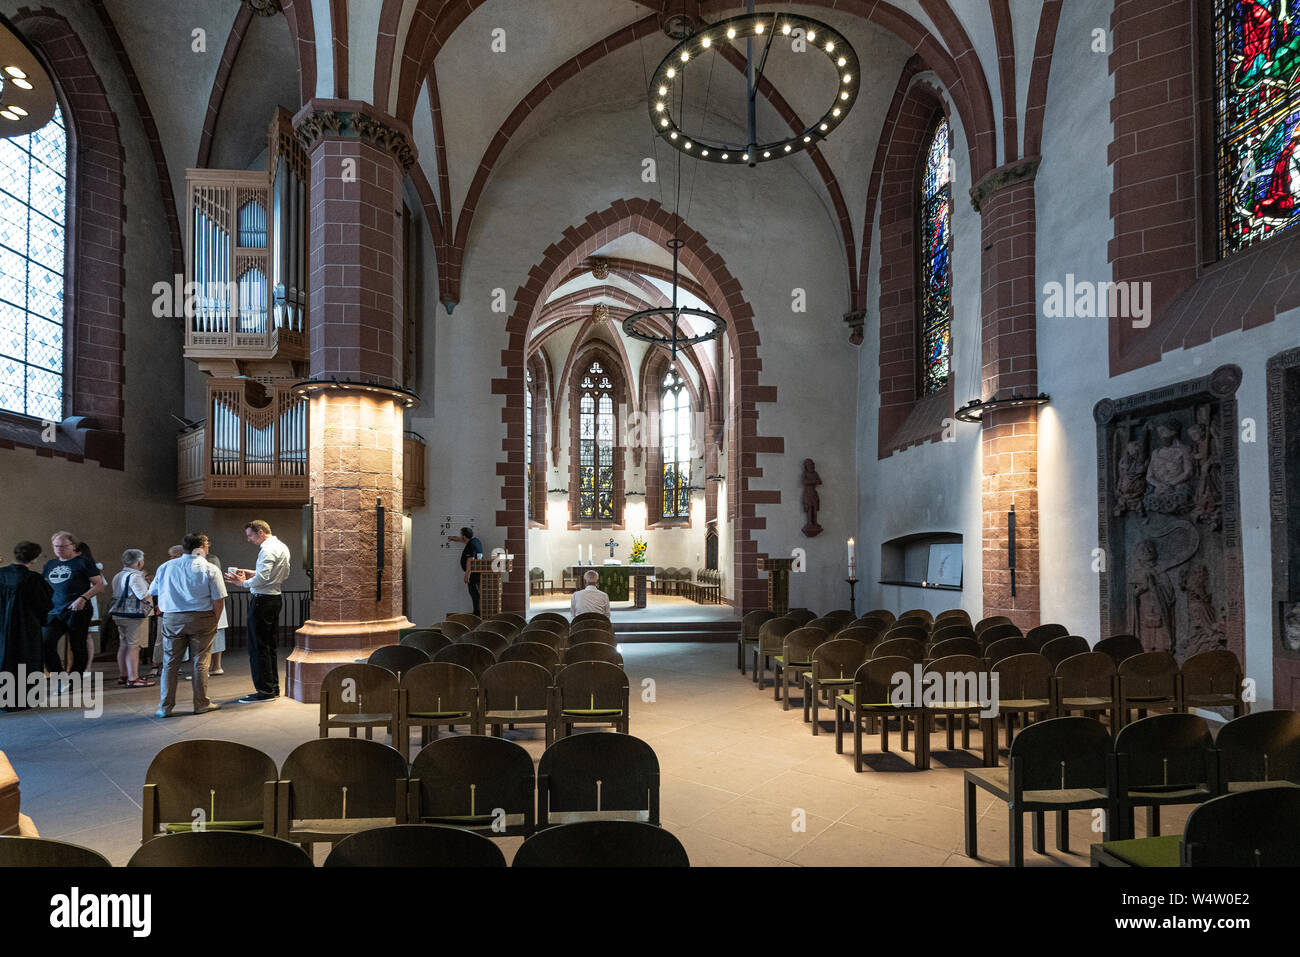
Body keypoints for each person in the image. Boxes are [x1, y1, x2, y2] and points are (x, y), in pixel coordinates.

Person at [148, 533, 226, 717]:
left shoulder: (165, 567)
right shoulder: (210, 568)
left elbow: (153, 591)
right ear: (202, 546)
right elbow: (219, 599)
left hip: (173, 618)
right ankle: (201, 704)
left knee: (170, 662)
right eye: (207, 545)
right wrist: (215, 619)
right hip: (202, 617)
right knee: (201, 662)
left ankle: (165, 707)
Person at [225, 520, 290, 703]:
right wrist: (251, 572)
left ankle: (264, 691)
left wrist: (241, 583)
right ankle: (272, 688)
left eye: (250, 535)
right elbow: (282, 574)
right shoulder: (281, 546)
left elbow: (262, 579)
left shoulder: (267, 550)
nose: (249, 539)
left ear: (260, 532)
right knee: (269, 646)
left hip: (262, 601)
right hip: (275, 598)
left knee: (257, 647)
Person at [41, 531, 106, 676]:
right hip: (54, 610)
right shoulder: (50, 564)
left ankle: (75, 678)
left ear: (73, 546)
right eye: (56, 546)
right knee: (45, 643)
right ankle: (59, 676)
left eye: (63, 546)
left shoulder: (83, 562)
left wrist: (83, 598)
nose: (59, 549)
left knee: (77, 646)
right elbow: (45, 586)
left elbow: (99, 585)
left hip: (77, 609)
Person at [0, 542, 53, 711]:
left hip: (2, 627)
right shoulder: (33, 579)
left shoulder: (1, 574)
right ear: (35, 558)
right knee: (24, 661)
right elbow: (44, 605)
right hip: (25, 628)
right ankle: (23, 699)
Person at [109, 549, 154, 688]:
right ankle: (133, 678)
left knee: (124, 645)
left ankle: (124, 675)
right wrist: (154, 586)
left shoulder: (118, 575)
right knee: (134, 646)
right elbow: (143, 596)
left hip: (120, 614)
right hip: (134, 616)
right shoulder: (135, 576)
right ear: (139, 562)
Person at [448, 527, 483, 616]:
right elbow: (465, 541)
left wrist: (467, 575)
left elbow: (470, 560)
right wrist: (455, 539)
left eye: (461, 535)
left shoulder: (470, 545)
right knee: (477, 593)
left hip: (473, 573)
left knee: (474, 593)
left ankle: (477, 613)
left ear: (464, 536)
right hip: (478, 572)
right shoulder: (476, 541)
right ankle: (478, 612)